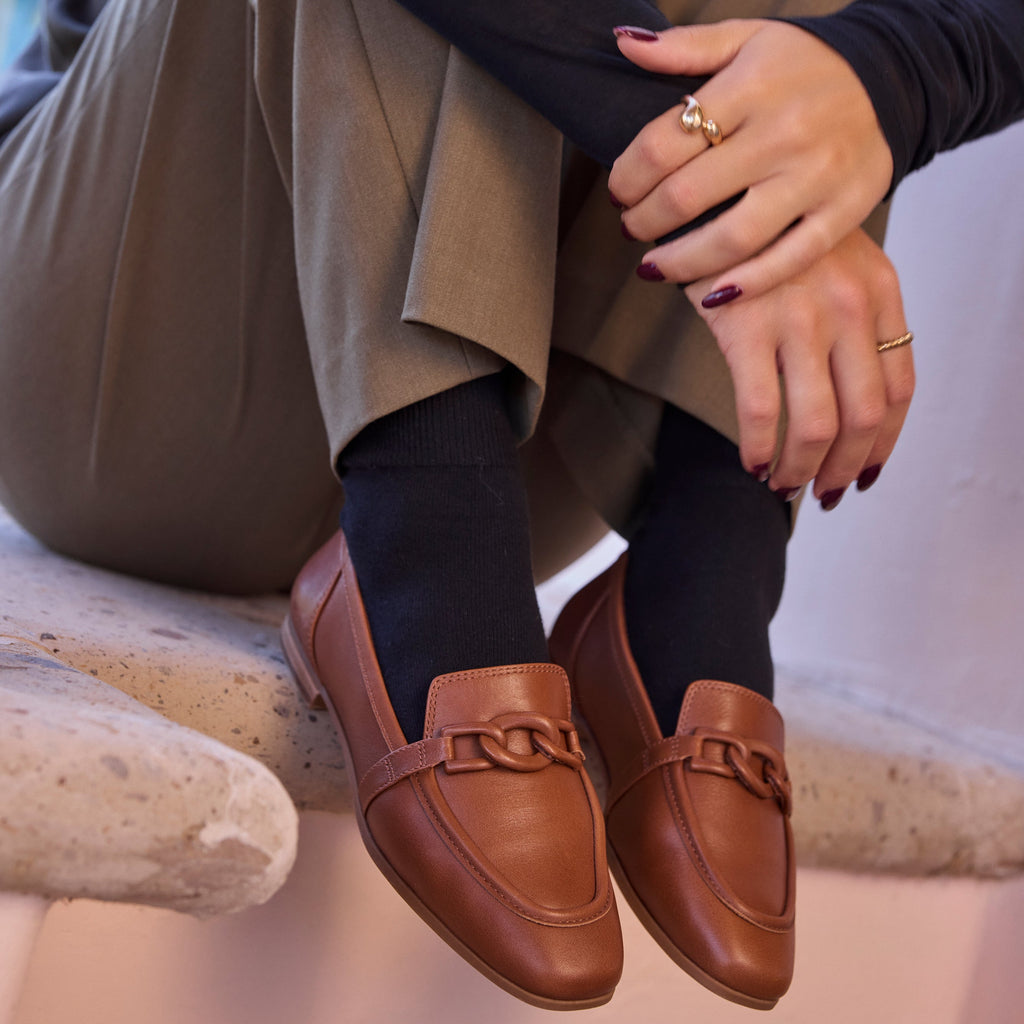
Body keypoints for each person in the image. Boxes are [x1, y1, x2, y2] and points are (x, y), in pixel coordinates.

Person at [0, 0, 1020, 1012]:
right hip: (119, 349)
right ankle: (432, 541)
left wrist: (884, 73)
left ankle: (705, 562)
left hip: (520, 435)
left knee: (828, 47)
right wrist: (756, 185)